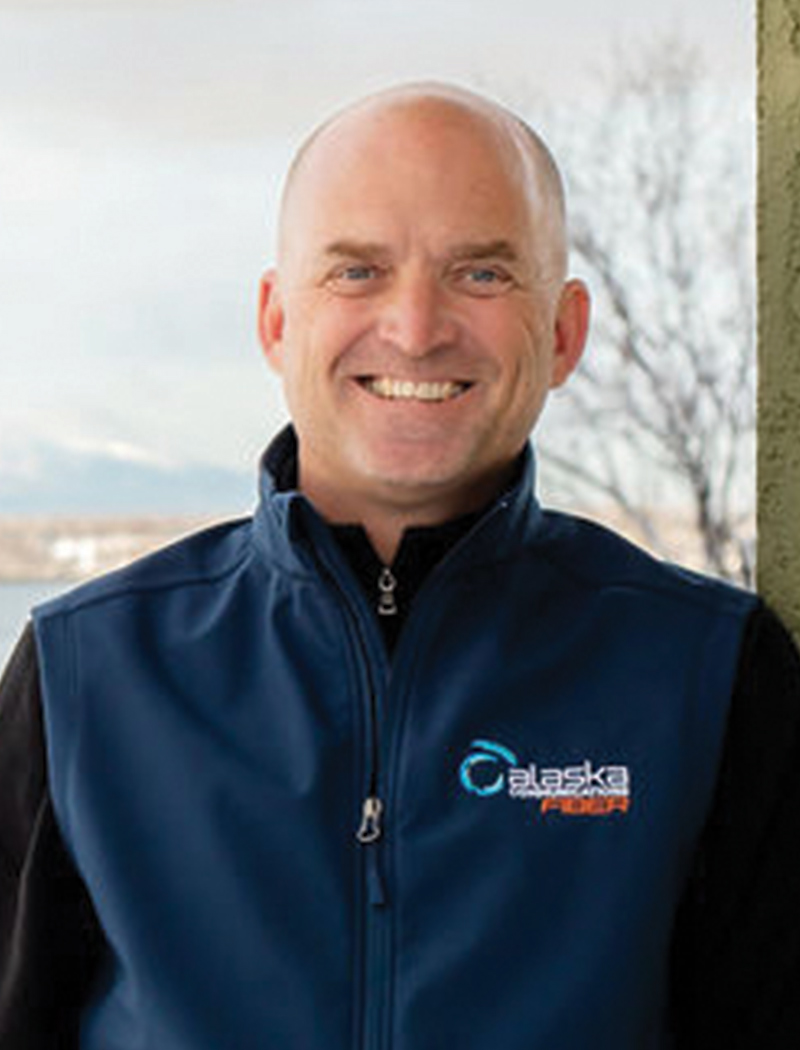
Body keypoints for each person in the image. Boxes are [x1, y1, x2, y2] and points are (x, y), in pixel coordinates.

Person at [0, 82, 798, 1050]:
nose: (415, 327)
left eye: (480, 274)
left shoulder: (707, 678)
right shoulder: (87, 678)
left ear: (562, 332)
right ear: (275, 320)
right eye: (356, 272)